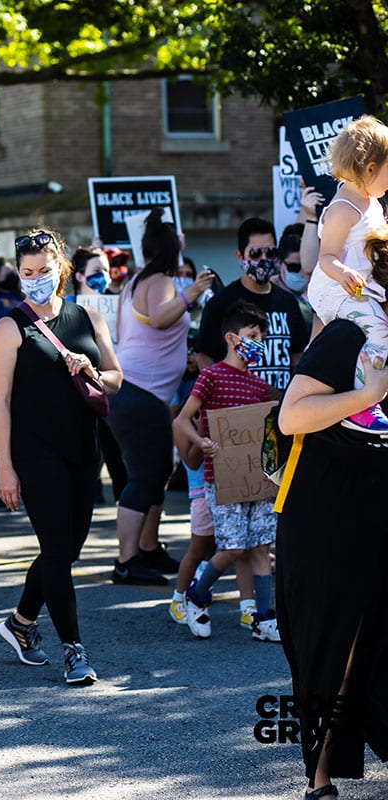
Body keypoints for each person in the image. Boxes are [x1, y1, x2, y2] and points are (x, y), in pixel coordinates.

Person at [275, 242, 388, 797]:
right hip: (326, 518)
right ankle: (318, 779)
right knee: (333, 650)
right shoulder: (348, 333)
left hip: (381, 511)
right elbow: (291, 416)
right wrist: (367, 393)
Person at [0, 228, 122, 685]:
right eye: (27, 273)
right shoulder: (10, 328)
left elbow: (117, 379)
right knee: (57, 551)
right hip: (33, 452)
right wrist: (5, 467)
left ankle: (20, 623)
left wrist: (93, 371)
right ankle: (74, 650)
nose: (36, 279)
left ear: (61, 269)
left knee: (67, 547)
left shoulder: (88, 318)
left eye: (44, 270)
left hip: (84, 449)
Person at [108, 211, 214, 586]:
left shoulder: (138, 279)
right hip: (140, 393)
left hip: (139, 392)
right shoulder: (160, 282)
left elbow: (143, 334)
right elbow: (159, 320)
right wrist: (194, 291)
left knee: (157, 473)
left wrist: (180, 360)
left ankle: (147, 548)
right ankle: (126, 560)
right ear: (172, 249)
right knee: (144, 476)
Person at [171, 301, 278, 641]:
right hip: (221, 479)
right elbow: (182, 418)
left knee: (261, 547)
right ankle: (197, 596)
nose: (257, 342)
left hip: (257, 480)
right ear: (232, 338)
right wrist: (200, 442)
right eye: (251, 335)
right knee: (233, 547)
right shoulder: (211, 376)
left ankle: (264, 619)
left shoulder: (260, 387)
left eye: (261, 336)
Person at [307, 116, 388, 433]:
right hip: (335, 290)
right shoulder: (342, 207)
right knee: (381, 334)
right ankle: (359, 404)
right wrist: (342, 273)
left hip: (357, 290)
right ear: (369, 168)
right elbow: (326, 256)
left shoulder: (371, 200)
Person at [196, 217, 310, 392]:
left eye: (270, 253)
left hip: (281, 407)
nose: (264, 259)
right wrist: (223, 391)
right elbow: (204, 356)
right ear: (240, 256)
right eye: (256, 253)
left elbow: (297, 355)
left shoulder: (288, 302)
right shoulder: (221, 302)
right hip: (238, 406)